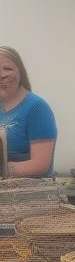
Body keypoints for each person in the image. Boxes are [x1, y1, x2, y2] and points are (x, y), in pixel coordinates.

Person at [0, 47, 56, 178]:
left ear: (20, 72)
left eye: (7, 68)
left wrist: (2, 170)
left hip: (28, 193)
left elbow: (40, 165)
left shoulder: (37, 107)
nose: (2, 75)